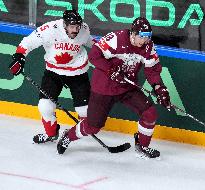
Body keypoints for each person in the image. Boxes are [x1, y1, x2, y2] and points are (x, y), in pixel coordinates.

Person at [57, 17, 171, 159]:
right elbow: (94, 55)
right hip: (104, 87)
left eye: (148, 37)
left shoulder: (148, 46)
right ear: (133, 34)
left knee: (150, 114)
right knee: (93, 127)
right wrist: (111, 70)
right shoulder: (116, 39)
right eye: (142, 37)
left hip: (127, 86)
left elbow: (152, 70)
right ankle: (69, 135)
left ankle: (142, 146)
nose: (145, 40)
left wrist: (160, 88)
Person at [9, 9, 94, 144]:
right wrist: (19, 56)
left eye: (77, 26)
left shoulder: (83, 29)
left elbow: (90, 41)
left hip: (77, 72)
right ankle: (51, 134)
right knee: (45, 107)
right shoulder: (49, 29)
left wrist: (105, 54)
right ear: (64, 25)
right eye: (72, 27)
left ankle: (73, 134)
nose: (76, 30)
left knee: (85, 111)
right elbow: (29, 41)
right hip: (53, 72)